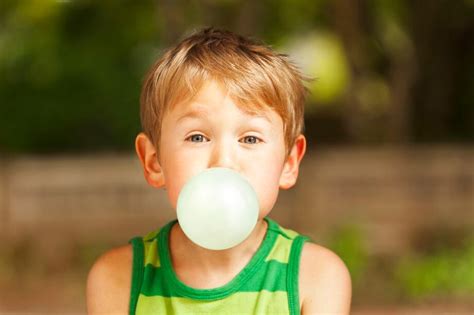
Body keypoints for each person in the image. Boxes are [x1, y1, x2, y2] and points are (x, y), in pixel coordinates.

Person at [86, 27, 351, 314]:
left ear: (289, 163)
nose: (224, 161)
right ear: (153, 161)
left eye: (250, 138)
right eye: (197, 137)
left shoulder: (314, 278)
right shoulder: (118, 278)